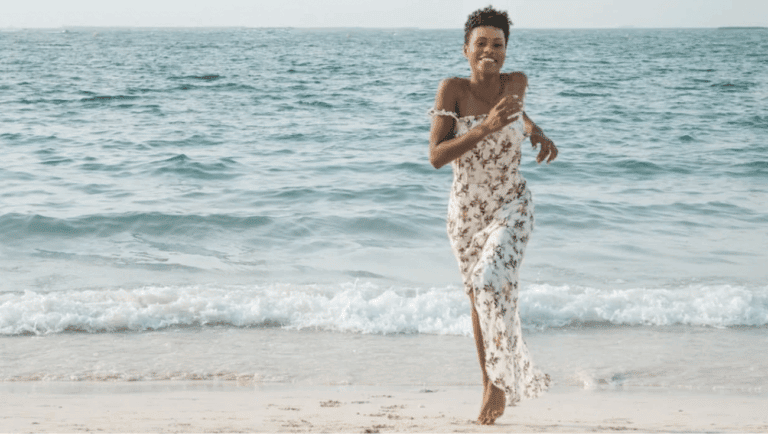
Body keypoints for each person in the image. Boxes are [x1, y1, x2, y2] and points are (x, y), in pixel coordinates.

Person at [427, 6, 557, 425]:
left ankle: (500, 382)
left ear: (506, 50)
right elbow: (436, 157)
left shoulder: (515, 82)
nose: (489, 50)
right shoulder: (453, 90)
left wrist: (534, 130)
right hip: (466, 212)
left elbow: (513, 111)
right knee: (479, 298)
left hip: (511, 203)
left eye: (497, 44)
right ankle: (489, 382)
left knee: (489, 281)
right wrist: (482, 128)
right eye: (480, 43)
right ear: (466, 49)